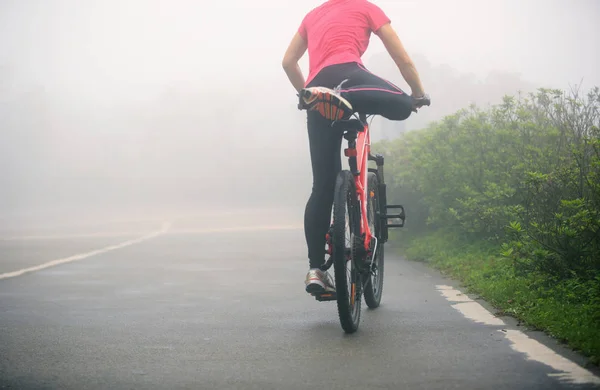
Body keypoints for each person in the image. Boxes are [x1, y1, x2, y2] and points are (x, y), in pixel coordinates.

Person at [281, 0, 428, 296]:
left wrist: (306, 96)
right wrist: (418, 92)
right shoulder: (365, 7)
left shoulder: (312, 15)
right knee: (402, 105)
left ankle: (316, 270)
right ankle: (352, 104)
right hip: (353, 79)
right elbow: (402, 58)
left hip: (319, 91)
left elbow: (288, 63)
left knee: (322, 185)